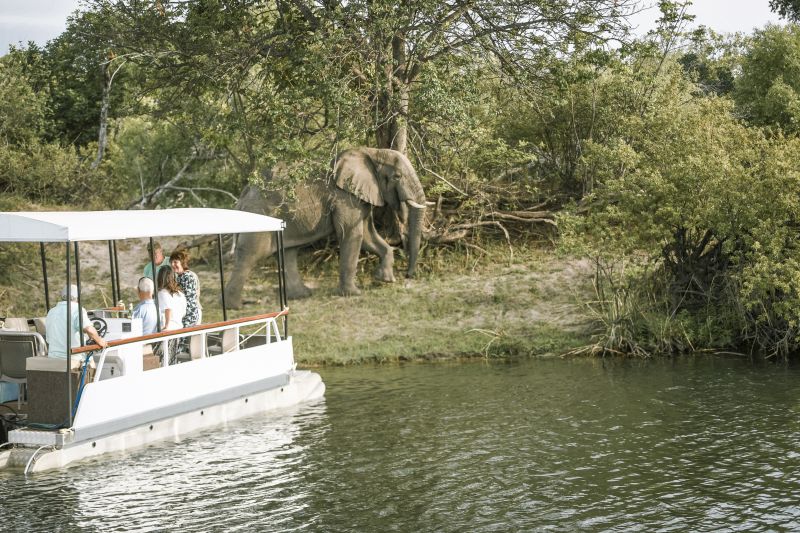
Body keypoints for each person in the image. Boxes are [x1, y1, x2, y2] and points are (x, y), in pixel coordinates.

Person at [45, 284, 108, 358]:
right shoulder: (77, 309)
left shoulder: (51, 311)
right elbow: (89, 329)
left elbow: (48, 339)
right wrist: (100, 341)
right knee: (91, 364)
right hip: (73, 356)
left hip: (53, 356)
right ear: (77, 298)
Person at [170, 248, 202, 328]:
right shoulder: (182, 276)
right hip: (190, 315)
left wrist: (185, 322)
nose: (172, 265)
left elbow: (189, 300)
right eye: (171, 262)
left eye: (175, 262)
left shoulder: (186, 276)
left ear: (182, 263)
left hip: (190, 316)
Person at [156, 265, 186, 331]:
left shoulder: (162, 293)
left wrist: (166, 326)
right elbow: (184, 313)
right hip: (179, 327)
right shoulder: (180, 294)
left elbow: (168, 309)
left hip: (168, 330)